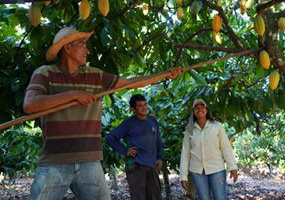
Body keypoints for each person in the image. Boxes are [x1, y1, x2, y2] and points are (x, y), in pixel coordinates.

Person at [23, 27, 183, 200]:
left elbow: (129, 83)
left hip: (89, 160)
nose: (88, 50)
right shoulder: (45, 73)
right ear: (67, 48)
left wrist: (165, 75)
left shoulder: (95, 76)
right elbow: (30, 105)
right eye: (82, 45)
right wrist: (73, 95)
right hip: (55, 160)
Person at [105, 94, 164, 200]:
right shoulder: (128, 123)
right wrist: (124, 151)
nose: (144, 107)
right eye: (140, 106)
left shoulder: (152, 120)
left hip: (152, 164)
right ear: (133, 109)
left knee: (155, 196)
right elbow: (110, 138)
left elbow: (158, 140)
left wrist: (160, 157)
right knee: (139, 197)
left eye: (145, 104)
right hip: (136, 165)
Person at [179, 99, 238, 200]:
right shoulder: (190, 130)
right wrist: (183, 176)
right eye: (197, 108)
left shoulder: (216, 126)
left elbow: (225, 147)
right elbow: (185, 153)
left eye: (202, 108)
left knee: (220, 198)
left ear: (206, 110)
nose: (199, 110)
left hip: (216, 168)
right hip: (197, 171)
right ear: (193, 112)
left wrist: (232, 167)